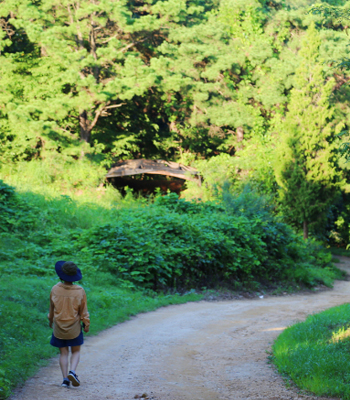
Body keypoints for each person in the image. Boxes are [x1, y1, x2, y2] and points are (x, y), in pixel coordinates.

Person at [48, 261, 90, 388]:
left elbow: (51, 310)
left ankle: (65, 380)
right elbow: (83, 311)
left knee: (63, 353)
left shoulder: (55, 289)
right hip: (74, 327)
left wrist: (50, 321)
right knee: (76, 351)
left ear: (61, 275)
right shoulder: (79, 291)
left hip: (59, 327)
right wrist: (86, 324)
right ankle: (73, 371)